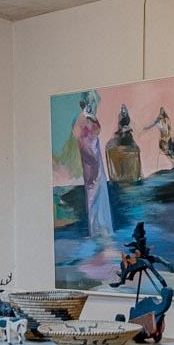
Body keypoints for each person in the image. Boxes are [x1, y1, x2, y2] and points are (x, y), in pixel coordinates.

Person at [73, 92, 114, 239]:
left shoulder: (89, 118)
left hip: (95, 157)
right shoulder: (82, 119)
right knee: (93, 191)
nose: (92, 105)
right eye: (90, 102)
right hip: (91, 159)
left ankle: (102, 227)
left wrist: (93, 118)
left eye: (93, 102)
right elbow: (82, 139)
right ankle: (96, 229)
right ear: (84, 103)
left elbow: (97, 131)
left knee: (98, 190)